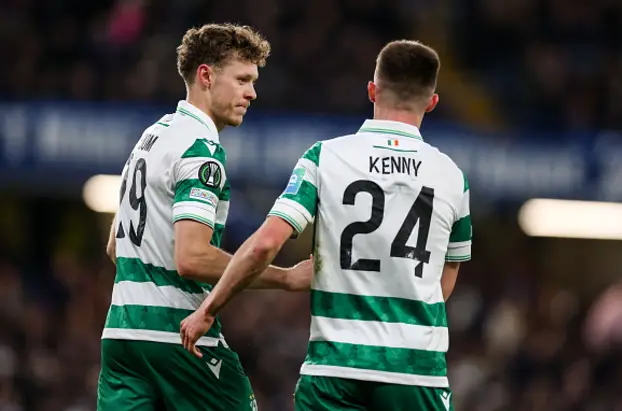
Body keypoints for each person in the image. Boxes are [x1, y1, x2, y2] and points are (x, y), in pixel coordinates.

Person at [180, 39, 472, 411]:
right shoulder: (452, 176)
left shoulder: (325, 157)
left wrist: (209, 308)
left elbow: (266, 244)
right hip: (417, 373)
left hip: (334, 370)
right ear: (432, 102)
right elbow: (447, 275)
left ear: (372, 91)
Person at [97, 23, 313, 411]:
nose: (252, 92)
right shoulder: (201, 149)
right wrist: (285, 277)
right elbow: (192, 258)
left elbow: (115, 245)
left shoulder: (150, 137)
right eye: (243, 79)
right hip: (175, 333)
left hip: (121, 333)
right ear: (206, 76)